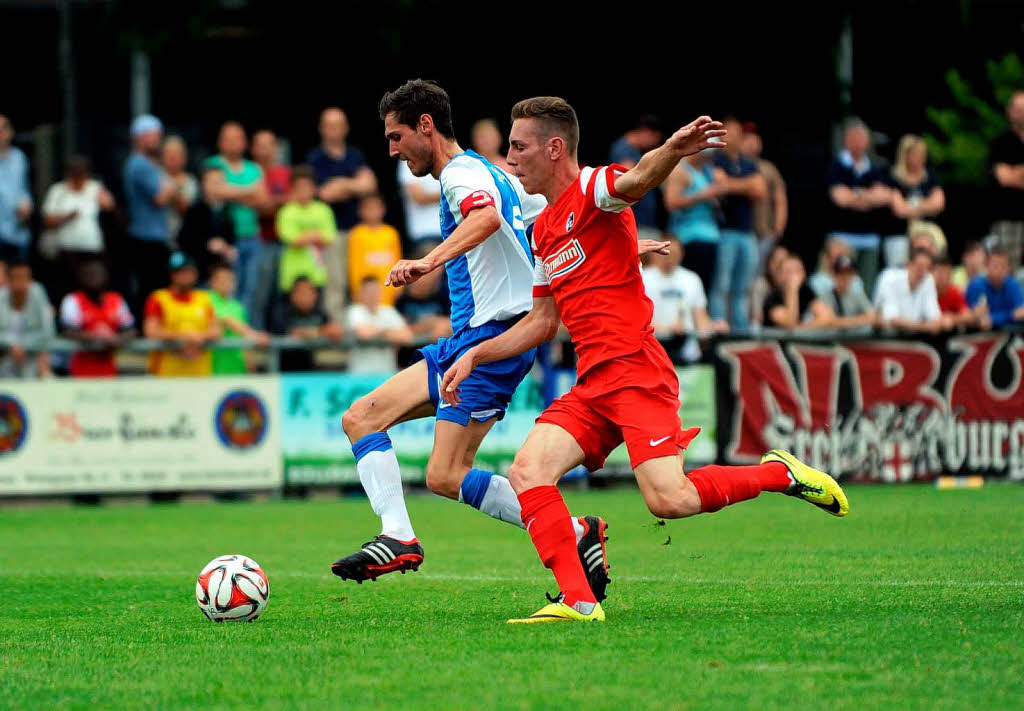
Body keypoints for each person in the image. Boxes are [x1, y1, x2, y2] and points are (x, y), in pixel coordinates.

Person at [442, 96, 848, 624]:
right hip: (592, 385)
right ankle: (579, 602)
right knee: (527, 470)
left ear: (554, 147)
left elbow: (634, 182)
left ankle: (778, 474)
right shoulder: (542, 230)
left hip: (636, 373)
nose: (510, 158)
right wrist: (477, 353)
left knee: (669, 500)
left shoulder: (593, 187)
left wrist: (673, 150)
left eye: (519, 147)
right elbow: (543, 323)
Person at [332, 81, 607, 592]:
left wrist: (427, 261)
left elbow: (484, 217)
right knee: (366, 421)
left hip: (492, 341)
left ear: (426, 126)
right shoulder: (487, 170)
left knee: (446, 470)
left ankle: (565, 533)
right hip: (471, 340)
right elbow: (551, 219)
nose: (392, 149)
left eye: (396, 137)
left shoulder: (461, 176)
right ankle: (402, 534)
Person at [308, 108, 378, 321]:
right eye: (329, 124)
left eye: (338, 124)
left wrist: (340, 184)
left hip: (359, 231)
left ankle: (364, 329)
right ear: (321, 128)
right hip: (331, 233)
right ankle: (339, 338)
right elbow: (324, 193)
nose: (333, 129)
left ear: (346, 128)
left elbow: (370, 185)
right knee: (335, 285)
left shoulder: (355, 155)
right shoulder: (315, 158)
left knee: (360, 281)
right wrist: (354, 185)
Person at [203, 122, 268, 316]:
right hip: (228, 239)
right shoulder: (213, 164)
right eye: (228, 139)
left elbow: (263, 199)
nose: (233, 143)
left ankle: (244, 333)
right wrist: (249, 191)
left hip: (253, 237)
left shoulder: (253, 167)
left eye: (237, 139)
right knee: (227, 289)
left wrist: (229, 191)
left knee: (251, 290)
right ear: (221, 142)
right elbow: (213, 191)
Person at [708, 118, 767, 332]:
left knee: (743, 286)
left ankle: (740, 329)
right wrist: (746, 185)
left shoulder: (748, 162)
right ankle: (719, 326)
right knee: (722, 284)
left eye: (736, 132)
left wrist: (731, 185)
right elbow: (719, 184)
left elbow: (760, 190)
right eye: (728, 132)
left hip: (746, 232)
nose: (733, 136)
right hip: (725, 231)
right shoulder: (716, 159)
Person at [826, 118, 893, 291]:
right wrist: (868, 196)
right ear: (847, 140)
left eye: (861, 138)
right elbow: (840, 198)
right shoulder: (836, 165)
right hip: (843, 237)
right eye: (854, 138)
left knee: (868, 286)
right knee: (843, 285)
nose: (858, 142)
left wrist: (855, 195)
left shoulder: (876, 167)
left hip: (869, 238)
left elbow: (885, 196)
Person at [123, 114, 179, 314]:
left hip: (154, 237)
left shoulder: (148, 164)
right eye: (154, 134)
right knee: (149, 290)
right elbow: (161, 197)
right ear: (140, 136)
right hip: (146, 239)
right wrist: (175, 184)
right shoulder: (140, 164)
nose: (158, 139)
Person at [642, 236, 727, 362]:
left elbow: (701, 319)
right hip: (654, 353)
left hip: (687, 354)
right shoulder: (643, 278)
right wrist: (667, 330)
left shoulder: (692, 279)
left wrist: (714, 327)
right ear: (655, 253)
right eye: (666, 251)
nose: (669, 256)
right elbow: (637, 319)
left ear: (681, 254)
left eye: (674, 253)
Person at [143, 252, 221, 377]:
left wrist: (198, 337)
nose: (184, 276)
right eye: (179, 272)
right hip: (167, 374)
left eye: (188, 271)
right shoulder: (158, 298)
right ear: (172, 275)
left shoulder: (204, 298)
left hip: (199, 373)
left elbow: (216, 330)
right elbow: (151, 331)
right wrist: (183, 337)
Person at [41, 156, 116, 281]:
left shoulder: (95, 188)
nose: (78, 180)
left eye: (81, 175)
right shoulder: (58, 191)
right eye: (75, 175)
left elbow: (111, 209)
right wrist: (66, 217)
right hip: (66, 250)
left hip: (92, 248)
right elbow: (47, 221)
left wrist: (107, 204)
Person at [59, 258, 135, 377]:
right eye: (88, 274)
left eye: (97, 274)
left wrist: (116, 339)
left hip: (108, 369)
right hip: (80, 369)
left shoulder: (116, 300)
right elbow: (67, 331)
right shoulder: (73, 300)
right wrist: (96, 337)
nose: (93, 278)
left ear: (105, 276)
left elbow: (131, 330)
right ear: (81, 278)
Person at [662, 150, 722, 290]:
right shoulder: (680, 170)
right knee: (689, 286)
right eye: (705, 153)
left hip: (711, 237)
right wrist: (702, 196)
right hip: (689, 238)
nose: (708, 157)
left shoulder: (708, 170)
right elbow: (671, 203)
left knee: (706, 289)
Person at [275, 165, 337, 297]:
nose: (303, 191)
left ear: (314, 188)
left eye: (307, 187)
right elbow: (291, 240)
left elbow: (328, 238)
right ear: (292, 189)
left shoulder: (324, 210)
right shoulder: (286, 211)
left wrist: (304, 237)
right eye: (299, 188)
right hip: (291, 273)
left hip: (317, 272)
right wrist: (314, 235)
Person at [251, 129, 291, 329]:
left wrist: (269, 202)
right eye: (261, 144)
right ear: (253, 148)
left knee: (280, 294)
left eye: (269, 144)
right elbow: (261, 207)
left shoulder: (285, 173)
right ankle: (256, 337)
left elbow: (293, 200)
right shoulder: (249, 171)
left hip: (284, 241)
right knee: (258, 294)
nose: (265, 149)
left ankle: (277, 339)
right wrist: (278, 203)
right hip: (258, 241)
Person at [886, 134, 945, 267]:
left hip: (925, 235)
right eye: (916, 154)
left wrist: (911, 204)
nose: (921, 158)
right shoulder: (893, 178)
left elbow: (939, 204)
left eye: (923, 154)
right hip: (899, 236)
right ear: (905, 155)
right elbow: (900, 210)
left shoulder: (929, 178)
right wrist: (925, 204)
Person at [207, 261, 269, 375]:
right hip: (214, 370)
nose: (226, 283)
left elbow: (244, 339)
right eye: (222, 279)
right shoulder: (206, 300)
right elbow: (227, 320)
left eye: (230, 279)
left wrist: (251, 368)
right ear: (212, 282)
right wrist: (254, 335)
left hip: (238, 370)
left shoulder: (238, 307)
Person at [271, 276, 343, 372]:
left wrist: (314, 333)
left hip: (315, 373)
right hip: (287, 374)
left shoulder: (320, 314)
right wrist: (320, 332)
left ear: (315, 295)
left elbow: (336, 331)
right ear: (293, 295)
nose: (305, 297)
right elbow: (295, 333)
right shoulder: (283, 314)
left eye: (308, 292)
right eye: (301, 292)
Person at [609, 115, 664, 239]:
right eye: (654, 138)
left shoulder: (636, 151)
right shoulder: (623, 150)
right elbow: (630, 180)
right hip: (634, 220)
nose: (654, 144)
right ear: (646, 132)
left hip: (645, 221)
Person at [742, 123, 788, 268]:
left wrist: (778, 229)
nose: (751, 144)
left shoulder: (768, 169)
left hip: (764, 232)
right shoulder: (733, 166)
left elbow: (780, 199)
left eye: (755, 140)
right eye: (747, 139)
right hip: (742, 230)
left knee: (759, 272)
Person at [347, 276, 414, 373]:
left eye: (375, 291)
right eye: (369, 292)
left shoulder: (389, 311)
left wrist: (378, 332)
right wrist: (388, 332)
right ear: (361, 293)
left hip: (386, 373)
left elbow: (407, 337)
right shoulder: (355, 311)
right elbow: (363, 333)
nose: (372, 295)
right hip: (360, 373)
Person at [0, 260, 53, 378]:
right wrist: (11, 344)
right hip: (4, 358)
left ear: (30, 280)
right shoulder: (1, 297)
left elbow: (47, 332)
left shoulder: (38, 294)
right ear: (8, 280)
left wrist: (23, 345)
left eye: (24, 278)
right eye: (16, 277)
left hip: (32, 357)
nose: (20, 282)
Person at [874, 247, 945, 333]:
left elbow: (935, 319)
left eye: (928, 268)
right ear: (908, 265)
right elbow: (893, 320)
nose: (923, 272)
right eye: (920, 266)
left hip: (913, 339)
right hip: (883, 339)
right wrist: (924, 326)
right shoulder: (889, 278)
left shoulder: (928, 279)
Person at [990, 91, 1024, 267]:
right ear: (1009, 112)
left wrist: (1014, 171)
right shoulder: (1001, 143)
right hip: (1008, 217)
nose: (1021, 113)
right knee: (1006, 269)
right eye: (1018, 109)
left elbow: (1010, 176)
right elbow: (1003, 178)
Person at [348, 194, 401, 306]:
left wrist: (399, 285)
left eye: (376, 208)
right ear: (361, 211)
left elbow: (397, 260)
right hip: (366, 293)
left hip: (388, 290)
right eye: (368, 208)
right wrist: (357, 290)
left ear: (383, 210)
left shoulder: (391, 233)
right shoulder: (357, 234)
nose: (373, 212)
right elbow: (354, 266)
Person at [396, 243, 452, 344]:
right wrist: (432, 323)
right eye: (433, 268)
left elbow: (452, 323)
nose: (436, 274)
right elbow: (400, 330)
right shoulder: (401, 297)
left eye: (439, 267)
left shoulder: (445, 293)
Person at [762, 255, 834, 329]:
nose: (794, 276)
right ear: (779, 276)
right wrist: (792, 291)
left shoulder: (806, 292)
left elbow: (826, 317)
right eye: (789, 271)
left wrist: (801, 328)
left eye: (797, 270)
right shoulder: (772, 298)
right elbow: (790, 324)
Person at [965, 247, 1024, 330]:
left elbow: (1021, 313)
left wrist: (994, 319)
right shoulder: (975, 285)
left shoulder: (1013, 284)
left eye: (1003, 266)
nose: (999, 270)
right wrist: (1011, 315)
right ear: (986, 265)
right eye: (995, 266)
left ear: (1008, 268)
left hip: (1010, 335)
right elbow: (977, 319)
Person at [0, 114, 32, 265]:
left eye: (3, 129)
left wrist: (26, 203)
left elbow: (23, 188)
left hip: (18, 230)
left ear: (10, 132)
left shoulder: (19, 158)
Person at [817, 254, 875, 331]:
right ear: (833, 275)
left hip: (852, 339)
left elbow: (873, 317)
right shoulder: (825, 294)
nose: (844, 278)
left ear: (854, 275)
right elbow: (829, 322)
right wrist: (860, 320)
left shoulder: (857, 293)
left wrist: (844, 322)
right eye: (840, 273)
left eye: (848, 274)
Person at [160, 136, 199, 244]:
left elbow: (187, 210)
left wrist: (172, 195)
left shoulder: (191, 181)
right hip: (159, 238)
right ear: (162, 156)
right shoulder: (154, 177)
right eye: (169, 154)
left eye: (176, 154)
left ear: (184, 157)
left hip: (184, 238)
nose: (172, 158)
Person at [397, 159, 442, 244]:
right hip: (423, 234)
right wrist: (449, 193)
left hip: (451, 232)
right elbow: (419, 197)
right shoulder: (406, 160)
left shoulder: (444, 157)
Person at [933, 255, 976, 328]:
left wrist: (952, 319)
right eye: (940, 273)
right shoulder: (926, 292)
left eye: (947, 274)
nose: (943, 278)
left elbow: (968, 316)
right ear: (932, 273)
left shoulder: (954, 291)